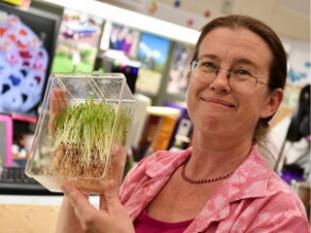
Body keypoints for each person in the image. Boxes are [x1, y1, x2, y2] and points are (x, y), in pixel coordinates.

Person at [55, 15, 310, 232]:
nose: (220, 82)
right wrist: (77, 172)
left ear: (272, 102)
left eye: (243, 71)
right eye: (209, 65)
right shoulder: (149, 171)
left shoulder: (280, 213)